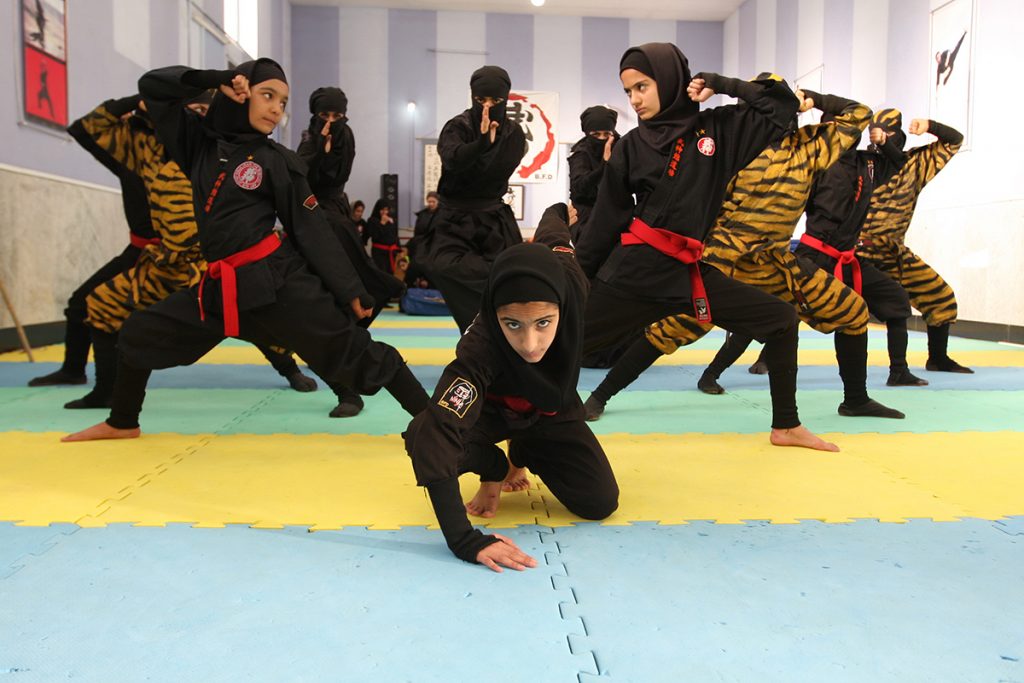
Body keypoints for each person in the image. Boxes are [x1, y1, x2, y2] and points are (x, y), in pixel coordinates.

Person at [61, 58, 427, 442]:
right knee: (138, 331)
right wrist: (214, 79)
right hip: (220, 287)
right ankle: (123, 421)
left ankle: (439, 427)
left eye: (283, 102)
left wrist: (350, 289)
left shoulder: (277, 161)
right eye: (267, 95)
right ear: (238, 94)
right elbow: (152, 85)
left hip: (278, 284)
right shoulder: (196, 145)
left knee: (360, 355)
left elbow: (310, 229)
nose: (275, 108)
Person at [575, 43, 836, 452]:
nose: (635, 99)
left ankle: (786, 425)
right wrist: (573, 279)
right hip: (633, 274)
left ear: (670, 80)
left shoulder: (718, 129)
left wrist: (720, 83)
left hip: (689, 272)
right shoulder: (630, 146)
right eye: (628, 92)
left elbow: (781, 106)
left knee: (782, 319)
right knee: (554, 346)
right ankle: (506, 414)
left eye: (642, 86)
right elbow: (605, 221)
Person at [587, 86, 901, 420]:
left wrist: (814, 96)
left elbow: (859, 114)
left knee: (852, 310)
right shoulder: (731, 147)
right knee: (671, 330)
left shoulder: (808, 147)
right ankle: (599, 396)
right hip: (721, 261)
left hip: (776, 263)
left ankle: (855, 398)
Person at [404, 203, 618, 572]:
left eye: (544, 323)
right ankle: (496, 463)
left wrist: (556, 211)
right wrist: (464, 540)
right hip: (494, 413)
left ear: (562, 307)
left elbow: (555, 235)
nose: (531, 344)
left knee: (599, 504)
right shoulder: (479, 347)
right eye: (512, 325)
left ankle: (525, 451)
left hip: (553, 410)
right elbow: (436, 433)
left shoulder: (571, 280)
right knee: (419, 434)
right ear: (494, 313)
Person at [795, 109, 925, 386]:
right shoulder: (815, 163)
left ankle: (898, 371)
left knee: (896, 298)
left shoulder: (867, 163)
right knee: (783, 309)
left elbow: (899, 162)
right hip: (814, 256)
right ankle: (720, 370)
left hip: (846, 258)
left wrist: (884, 142)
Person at [28, 108, 156, 389]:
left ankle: (280, 364)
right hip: (140, 253)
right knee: (80, 304)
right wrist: (136, 100)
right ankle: (75, 371)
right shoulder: (128, 162)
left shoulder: (185, 159)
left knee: (231, 314)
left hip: (180, 258)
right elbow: (81, 129)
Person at [856, 113, 971, 374]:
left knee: (940, 297)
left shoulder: (914, 164)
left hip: (894, 252)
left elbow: (954, 141)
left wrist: (930, 126)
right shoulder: (861, 163)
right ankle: (768, 356)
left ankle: (937, 359)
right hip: (854, 253)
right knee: (811, 299)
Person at [416, 66, 527, 332]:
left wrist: (487, 148)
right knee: (442, 267)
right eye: (481, 100)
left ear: (506, 99)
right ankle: (476, 330)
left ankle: (499, 335)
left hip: (493, 218)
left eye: (495, 101)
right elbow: (453, 160)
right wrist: (481, 145)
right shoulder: (458, 126)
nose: (487, 107)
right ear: (472, 97)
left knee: (513, 278)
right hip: (454, 217)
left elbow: (492, 173)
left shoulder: (514, 135)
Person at [568, 105, 619, 240]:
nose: (602, 139)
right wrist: (604, 165)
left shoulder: (619, 148)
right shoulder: (580, 154)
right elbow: (580, 186)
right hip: (586, 221)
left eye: (606, 134)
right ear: (587, 133)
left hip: (616, 217)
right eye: (596, 134)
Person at [366, 199, 400, 275]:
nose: (385, 212)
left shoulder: (392, 220)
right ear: (378, 209)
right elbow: (374, 236)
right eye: (382, 210)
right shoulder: (372, 220)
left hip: (391, 252)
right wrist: (382, 224)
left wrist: (399, 249)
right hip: (379, 253)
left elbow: (395, 236)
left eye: (387, 210)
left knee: (391, 274)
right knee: (381, 274)